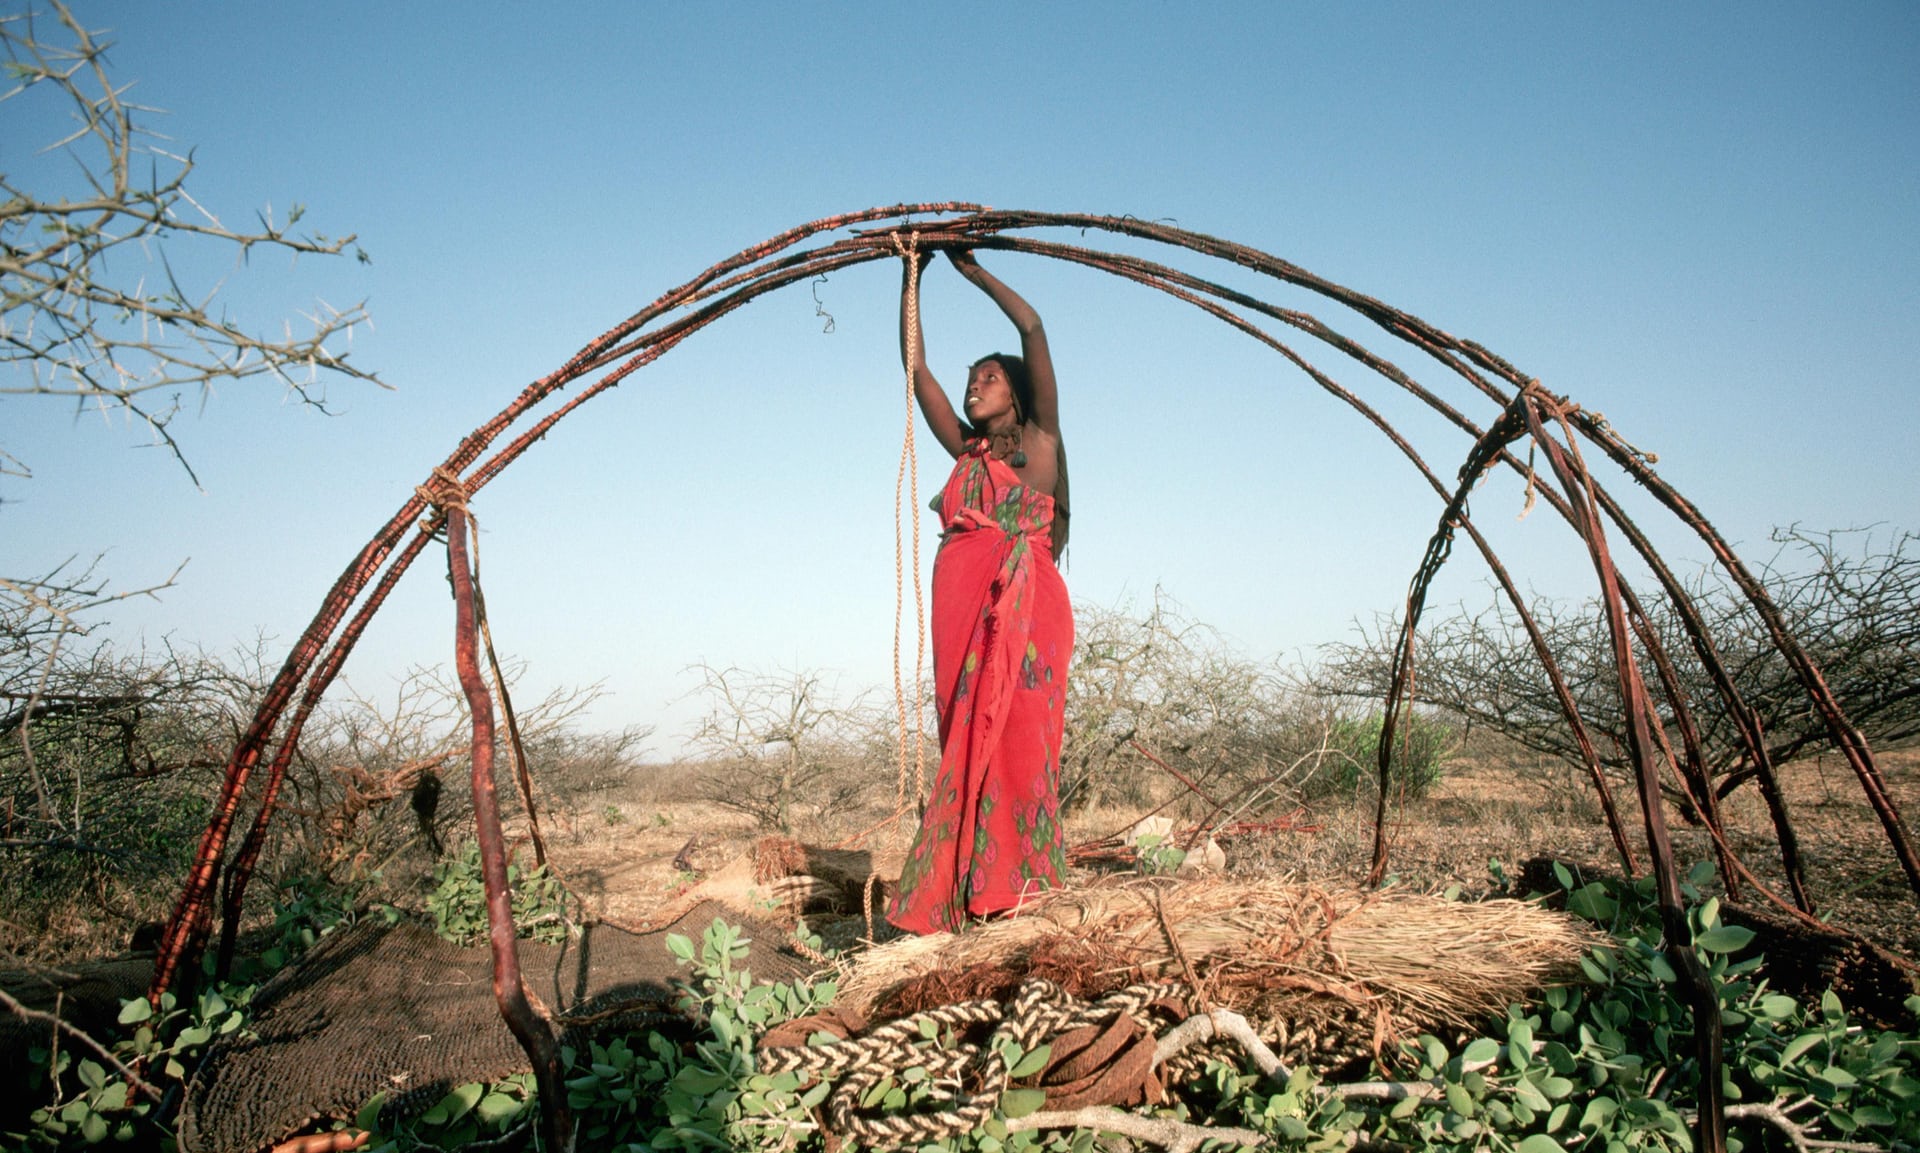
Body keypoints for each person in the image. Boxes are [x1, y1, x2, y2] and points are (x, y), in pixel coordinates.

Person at [887, 247, 1073, 934]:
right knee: (964, 741)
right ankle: (973, 891)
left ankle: (1021, 896)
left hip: (1027, 613)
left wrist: (970, 269)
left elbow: (1033, 329)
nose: (975, 387)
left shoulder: (1043, 443)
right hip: (963, 617)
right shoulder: (965, 453)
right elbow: (915, 370)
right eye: (972, 380)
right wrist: (912, 274)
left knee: (1021, 744)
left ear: (1016, 392)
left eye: (988, 379)